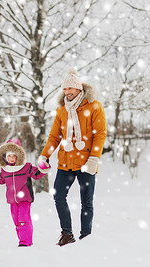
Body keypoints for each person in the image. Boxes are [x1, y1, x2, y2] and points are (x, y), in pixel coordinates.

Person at [37, 68, 107, 246]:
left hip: (86, 163)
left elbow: (100, 133)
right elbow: (54, 137)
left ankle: (86, 237)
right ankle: (67, 234)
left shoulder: (94, 106)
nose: (67, 92)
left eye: (71, 89)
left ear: (79, 89)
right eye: (65, 89)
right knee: (58, 196)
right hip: (66, 161)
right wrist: (44, 156)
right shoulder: (62, 110)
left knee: (86, 202)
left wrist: (94, 158)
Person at [0, 139, 49, 247]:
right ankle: (23, 240)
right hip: (12, 201)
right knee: (17, 221)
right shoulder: (5, 170)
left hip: (25, 199)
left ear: (19, 156)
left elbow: (37, 174)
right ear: (5, 157)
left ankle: (25, 242)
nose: (11, 159)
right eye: (9, 156)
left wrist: (43, 168)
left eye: (14, 156)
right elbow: (0, 180)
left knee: (23, 219)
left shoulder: (25, 167)